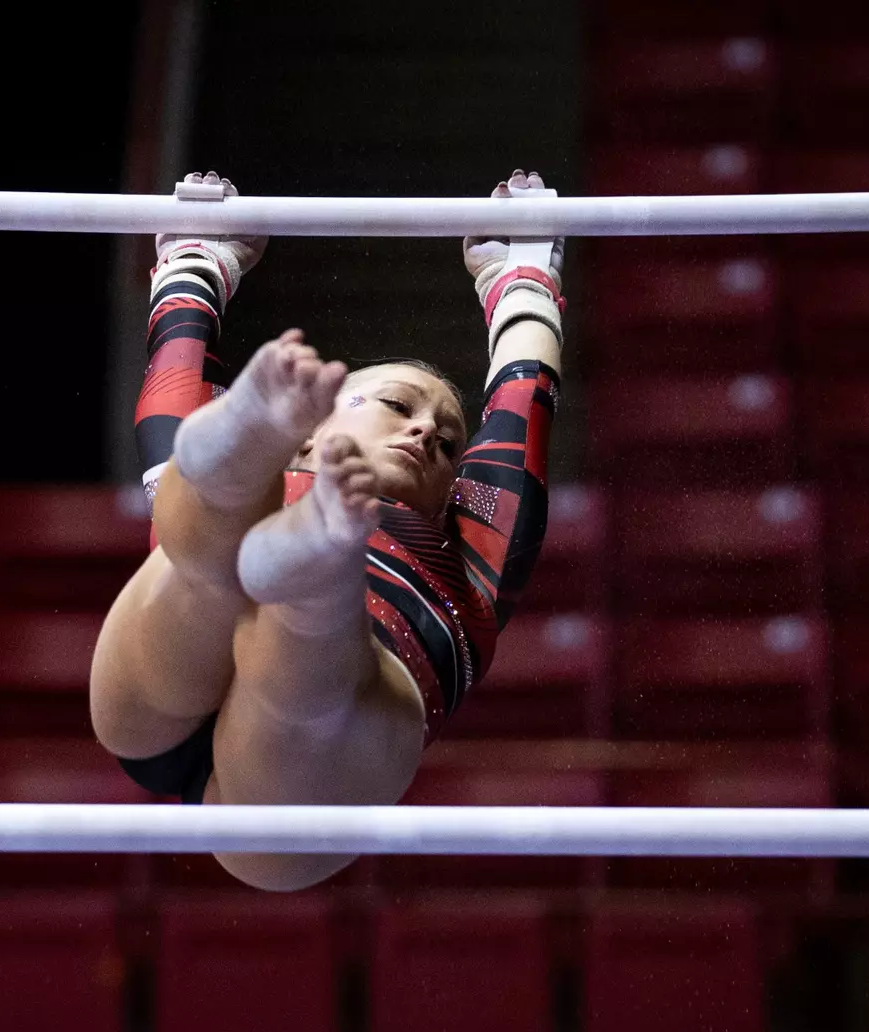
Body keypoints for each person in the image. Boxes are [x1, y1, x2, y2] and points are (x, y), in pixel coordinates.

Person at [90, 170, 566, 890]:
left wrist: (519, 272)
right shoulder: (259, 476)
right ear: (312, 430)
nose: (425, 432)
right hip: (166, 669)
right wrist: (523, 268)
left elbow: (524, 401)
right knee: (206, 536)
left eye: (447, 441)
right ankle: (298, 543)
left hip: (303, 781)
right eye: (400, 406)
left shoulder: (467, 548)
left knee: (305, 673)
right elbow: (520, 388)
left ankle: (316, 576)